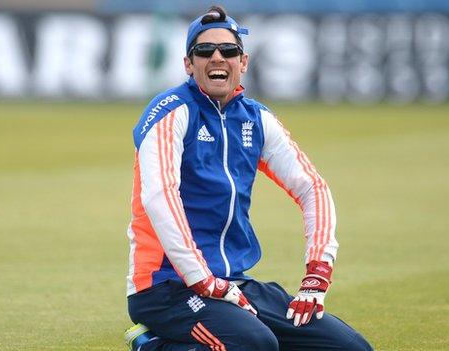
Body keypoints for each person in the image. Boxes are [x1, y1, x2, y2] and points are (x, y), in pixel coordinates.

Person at [124, 6, 373, 351]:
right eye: (204, 50)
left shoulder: (255, 119)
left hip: (235, 282)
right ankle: (152, 345)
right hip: (167, 286)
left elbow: (311, 187)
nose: (217, 57)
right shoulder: (171, 112)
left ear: (243, 62)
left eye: (228, 51)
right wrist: (202, 279)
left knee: (349, 348)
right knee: (255, 345)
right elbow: (160, 196)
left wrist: (318, 271)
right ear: (188, 63)